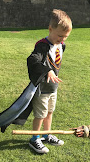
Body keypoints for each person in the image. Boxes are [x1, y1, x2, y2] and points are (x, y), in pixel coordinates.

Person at [27, 9, 72, 154]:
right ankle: (35, 139)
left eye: (65, 37)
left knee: (50, 112)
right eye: (60, 35)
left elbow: (56, 62)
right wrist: (47, 70)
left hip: (53, 88)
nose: (62, 39)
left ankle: (46, 135)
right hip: (42, 89)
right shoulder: (42, 45)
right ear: (50, 29)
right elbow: (33, 60)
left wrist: (53, 75)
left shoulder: (61, 45)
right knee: (40, 114)